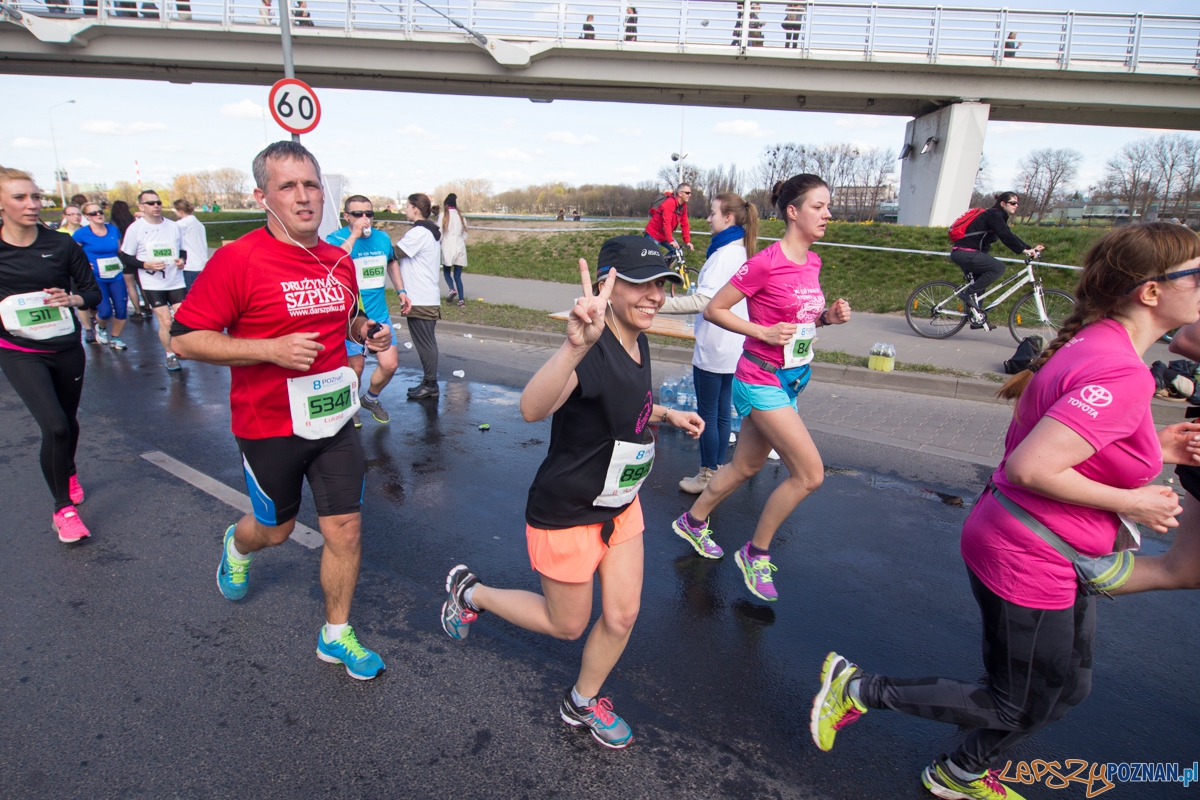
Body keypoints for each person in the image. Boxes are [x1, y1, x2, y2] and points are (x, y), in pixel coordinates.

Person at [810, 222, 1200, 800]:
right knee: (1014, 699)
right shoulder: (1121, 370)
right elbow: (1032, 467)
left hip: (1045, 545)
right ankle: (858, 689)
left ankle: (960, 772)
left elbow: (1082, 441)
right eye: (1196, 275)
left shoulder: (1107, 347)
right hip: (1030, 551)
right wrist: (1132, 500)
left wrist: (1155, 451)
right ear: (1150, 291)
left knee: (1066, 689)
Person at [439, 237, 703, 749]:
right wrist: (574, 346)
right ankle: (471, 593)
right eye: (641, 284)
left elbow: (626, 405)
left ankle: (581, 701)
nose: (654, 296)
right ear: (607, 284)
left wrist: (666, 414)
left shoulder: (638, 336)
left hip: (621, 504)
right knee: (567, 624)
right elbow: (533, 409)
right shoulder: (593, 345)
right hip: (567, 511)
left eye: (661, 285)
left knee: (623, 614)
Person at [170, 141, 392, 681]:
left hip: (335, 417)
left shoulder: (339, 257)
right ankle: (236, 545)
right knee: (276, 531)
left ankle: (335, 635)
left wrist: (364, 330)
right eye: (287, 186)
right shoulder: (238, 259)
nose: (303, 196)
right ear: (262, 196)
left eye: (311, 184)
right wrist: (266, 348)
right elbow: (183, 339)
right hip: (270, 424)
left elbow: (345, 317)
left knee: (346, 527)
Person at [671, 175, 851, 600]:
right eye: (818, 206)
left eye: (828, 206)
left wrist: (827, 318)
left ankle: (692, 522)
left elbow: (802, 318)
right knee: (809, 475)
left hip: (792, 378)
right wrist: (761, 332)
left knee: (746, 466)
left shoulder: (813, 262)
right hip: (759, 378)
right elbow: (715, 308)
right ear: (793, 211)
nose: (828, 214)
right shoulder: (765, 261)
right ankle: (755, 553)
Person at [0, 168, 102, 543]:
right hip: (20, 351)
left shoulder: (61, 244)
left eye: (35, 197)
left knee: (69, 423)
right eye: (20, 198)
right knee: (55, 426)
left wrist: (72, 298)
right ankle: (64, 510)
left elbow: (92, 293)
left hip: (64, 347)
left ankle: (67, 468)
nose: (31, 205)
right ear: (1, 204)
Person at [658, 192, 757, 494]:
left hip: (715, 346)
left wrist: (656, 303)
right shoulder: (740, 250)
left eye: (713, 213)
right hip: (734, 346)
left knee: (709, 414)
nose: (708, 218)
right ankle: (716, 471)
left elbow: (703, 301)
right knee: (723, 412)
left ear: (728, 217)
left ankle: (706, 475)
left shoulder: (724, 254)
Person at [326, 195, 407, 427]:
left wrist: (401, 290)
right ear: (347, 216)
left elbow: (392, 261)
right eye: (358, 214)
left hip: (379, 314)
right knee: (355, 369)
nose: (365, 219)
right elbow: (333, 263)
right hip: (351, 318)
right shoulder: (335, 239)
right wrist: (354, 235)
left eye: (369, 214)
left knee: (390, 364)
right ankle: (351, 408)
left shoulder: (382, 238)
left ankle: (370, 399)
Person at [950, 192, 1043, 330]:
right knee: (998, 268)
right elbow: (1005, 235)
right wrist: (1023, 250)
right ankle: (967, 294)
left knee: (980, 283)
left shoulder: (997, 216)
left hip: (966, 253)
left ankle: (977, 318)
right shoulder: (993, 214)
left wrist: (1029, 249)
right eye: (1013, 203)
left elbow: (1010, 234)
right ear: (1003, 203)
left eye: (1017, 203)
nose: (1016, 206)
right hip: (966, 253)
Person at [119, 189, 188, 371]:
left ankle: (182, 346)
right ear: (141, 207)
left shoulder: (173, 226)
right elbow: (125, 257)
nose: (156, 206)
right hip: (153, 283)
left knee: (183, 317)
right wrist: (145, 265)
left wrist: (182, 261)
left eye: (158, 202)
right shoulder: (135, 229)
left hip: (175, 280)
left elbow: (182, 250)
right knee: (165, 321)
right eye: (151, 203)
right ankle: (170, 354)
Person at [396, 193, 443, 400]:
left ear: (415, 208)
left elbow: (395, 253)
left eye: (407, 206)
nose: (405, 210)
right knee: (427, 342)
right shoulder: (428, 231)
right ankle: (428, 382)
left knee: (425, 343)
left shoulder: (419, 232)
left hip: (421, 297)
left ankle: (430, 384)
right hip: (426, 295)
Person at [73, 203, 129, 351]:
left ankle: (116, 338)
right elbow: (72, 254)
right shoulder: (81, 234)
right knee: (105, 312)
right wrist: (84, 265)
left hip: (116, 275)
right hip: (97, 278)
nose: (98, 214)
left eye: (100, 211)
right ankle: (101, 327)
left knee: (121, 310)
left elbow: (118, 250)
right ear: (86, 217)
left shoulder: (113, 229)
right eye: (93, 213)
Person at [110, 199, 147, 322]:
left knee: (130, 285)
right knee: (142, 282)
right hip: (139, 254)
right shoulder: (133, 221)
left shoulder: (113, 223)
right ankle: (147, 305)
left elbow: (118, 244)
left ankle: (137, 311)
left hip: (125, 256)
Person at [644, 183, 693, 261]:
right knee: (650, 260)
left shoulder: (683, 207)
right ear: (680, 193)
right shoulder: (670, 203)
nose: (689, 195)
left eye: (690, 193)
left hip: (665, 235)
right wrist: (670, 240)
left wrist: (687, 241)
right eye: (687, 193)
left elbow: (685, 224)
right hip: (653, 234)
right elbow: (666, 222)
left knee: (678, 252)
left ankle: (664, 270)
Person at [173, 198, 209, 290]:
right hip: (202, 264)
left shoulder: (184, 223)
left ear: (180, 211)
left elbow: (168, 227)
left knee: (191, 296)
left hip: (191, 266)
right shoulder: (199, 224)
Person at [439, 193, 468, 306]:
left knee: (446, 272)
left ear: (445, 204)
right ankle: (461, 300)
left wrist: (440, 243)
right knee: (458, 276)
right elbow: (465, 233)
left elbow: (440, 233)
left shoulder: (443, 216)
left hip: (448, 246)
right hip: (460, 246)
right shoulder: (461, 217)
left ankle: (452, 289)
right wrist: (460, 240)